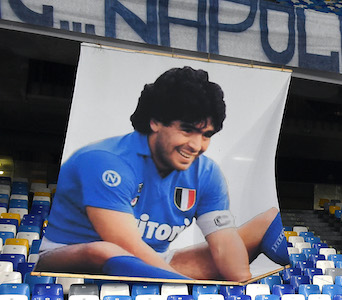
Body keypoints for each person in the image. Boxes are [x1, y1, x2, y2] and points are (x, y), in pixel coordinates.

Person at [35, 66, 289, 282]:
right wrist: (184, 290)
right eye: (187, 130)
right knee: (106, 250)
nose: (197, 145)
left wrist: (241, 290)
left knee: (264, 221)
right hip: (71, 259)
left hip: (153, 262)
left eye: (207, 135)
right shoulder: (105, 160)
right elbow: (126, 247)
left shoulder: (206, 172)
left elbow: (223, 245)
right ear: (155, 121)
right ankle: (174, 285)